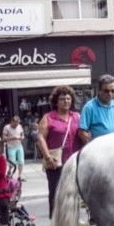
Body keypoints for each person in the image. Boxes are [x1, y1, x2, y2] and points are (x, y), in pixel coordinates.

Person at [38, 86, 82, 218]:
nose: (66, 101)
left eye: (68, 98)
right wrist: (47, 157)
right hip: (55, 161)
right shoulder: (48, 117)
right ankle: (55, 218)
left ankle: (73, 217)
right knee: (56, 190)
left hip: (74, 160)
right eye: (62, 99)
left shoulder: (77, 116)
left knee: (74, 190)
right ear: (56, 101)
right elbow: (40, 137)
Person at [78, 74, 114, 145]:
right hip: (98, 151)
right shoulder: (89, 107)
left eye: (113, 91)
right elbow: (82, 132)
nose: (110, 94)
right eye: (106, 91)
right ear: (99, 90)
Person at [3, 116, 25, 180]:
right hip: (10, 146)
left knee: (21, 161)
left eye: (17, 123)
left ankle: (19, 176)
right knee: (12, 162)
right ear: (11, 122)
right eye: (15, 124)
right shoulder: (7, 127)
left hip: (19, 145)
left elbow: (22, 135)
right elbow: (4, 138)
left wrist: (21, 138)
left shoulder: (19, 126)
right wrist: (12, 138)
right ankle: (9, 173)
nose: (16, 125)